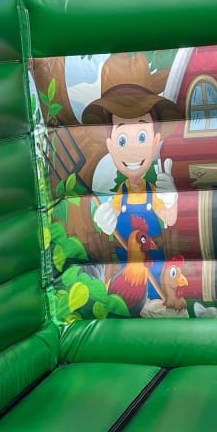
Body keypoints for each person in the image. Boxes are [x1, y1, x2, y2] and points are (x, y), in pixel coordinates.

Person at [82, 54, 181, 296]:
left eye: (142, 136)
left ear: (155, 140)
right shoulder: (120, 195)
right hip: (125, 275)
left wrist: (171, 201)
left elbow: (169, 218)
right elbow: (108, 222)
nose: (133, 150)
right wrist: (104, 220)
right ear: (110, 145)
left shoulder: (152, 192)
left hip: (155, 270)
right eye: (123, 140)